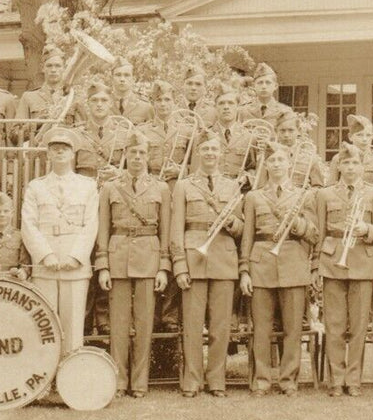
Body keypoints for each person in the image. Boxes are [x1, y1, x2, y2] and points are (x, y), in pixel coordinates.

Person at [240, 142, 320, 396]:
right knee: (261, 329)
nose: (276, 164)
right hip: (261, 263)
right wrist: (244, 270)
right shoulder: (253, 197)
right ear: (266, 165)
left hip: (293, 264)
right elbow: (247, 237)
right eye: (271, 160)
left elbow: (315, 235)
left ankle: (288, 380)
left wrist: (296, 222)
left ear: (289, 163)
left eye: (281, 160)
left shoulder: (303, 195)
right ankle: (262, 380)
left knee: (292, 329)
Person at [97, 132, 170, 398]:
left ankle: (140, 383)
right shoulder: (110, 188)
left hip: (149, 258)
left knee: (144, 322)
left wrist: (163, 266)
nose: (137, 158)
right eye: (133, 153)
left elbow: (166, 229)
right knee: (118, 324)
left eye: (142, 153)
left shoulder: (161, 188)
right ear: (125, 155)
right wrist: (103, 264)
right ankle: (118, 380)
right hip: (117, 257)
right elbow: (103, 228)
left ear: (148, 156)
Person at [172, 133, 244, 398]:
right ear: (198, 153)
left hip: (224, 258)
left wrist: (232, 224)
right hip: (194, 258)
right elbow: (176, 228)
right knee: (192, 325)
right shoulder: (184, 185)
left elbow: (241, 228)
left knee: (220, 325)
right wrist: (179, 264)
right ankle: (192, 380)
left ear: (221, 153)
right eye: (205, 149)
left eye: (214, 149)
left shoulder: (232, 186)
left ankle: (216, 380)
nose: (210, 153)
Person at [314, 143, 373, 397]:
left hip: (362, 261)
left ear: (362, 166)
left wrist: (366, 229)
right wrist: (316, 267)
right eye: (345, 163)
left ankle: (353, 379)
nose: (350, 167)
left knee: (358, 326)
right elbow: (319, 232)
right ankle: (336, 379)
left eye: (355, 163)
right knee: (334, 324)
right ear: (339, 166)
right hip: (333, 261)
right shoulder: (324, 194)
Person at [22, 127, 99, 353]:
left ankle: (69, 376)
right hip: (46, 263)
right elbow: (28, 223)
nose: (60, 152)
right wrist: (45, 255)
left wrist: (76, 257)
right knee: (43, 324)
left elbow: (91, 224)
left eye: (65, 148)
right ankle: (44, 374)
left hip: (74, 262)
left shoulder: (87, 186)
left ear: (73, 153)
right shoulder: (36, 186)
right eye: (55, 149)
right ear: (48, 154)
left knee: (73, 323)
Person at [15, 44, 75, 141]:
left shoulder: (71, 97)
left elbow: (83, 130)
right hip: (37, 151)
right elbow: (15, 135)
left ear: (64, 68)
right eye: (49, 66)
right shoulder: (29, 97)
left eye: (58, 66)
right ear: (43, 68)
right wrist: (38, 122)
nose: (53, 70)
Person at [329, 114, 373, 200]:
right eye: (359, 135)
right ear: (350, 137)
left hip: (370, 206)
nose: (364, 139)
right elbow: (330, 188)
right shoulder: (338, 159)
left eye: (368, 135)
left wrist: (371, 193)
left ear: (372, 136)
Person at [253, 111, 325, 191]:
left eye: (291, 130)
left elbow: (318, 187)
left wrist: (306, 195)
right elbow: (260, 188)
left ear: (299, 131)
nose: (286, 135)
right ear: (276, 131)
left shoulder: (309, 158)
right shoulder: (266, 156)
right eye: (282, 131)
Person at [108, 58, 155, 124]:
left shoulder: (145, 107)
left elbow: (153, 132)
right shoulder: (103, 104)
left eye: (126, 75)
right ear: (111, 78)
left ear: (133, 79)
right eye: (118, 75)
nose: (122, 79)